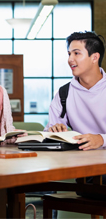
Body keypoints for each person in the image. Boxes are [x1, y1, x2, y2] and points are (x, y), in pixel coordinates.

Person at [44, 31, 106, 199]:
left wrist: (101, 139)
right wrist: (54, 130)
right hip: (85, 169)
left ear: (94, 57)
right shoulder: (64, 93)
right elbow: (49, 131)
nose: (70, 59)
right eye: (69, 53)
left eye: (76, 53)